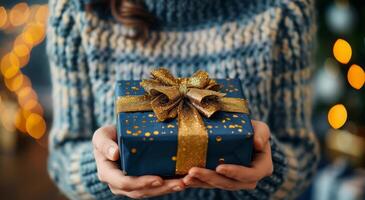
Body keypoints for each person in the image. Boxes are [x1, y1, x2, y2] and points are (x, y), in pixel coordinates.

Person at [47, 0, 319, 199]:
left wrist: (270, 165)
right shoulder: (75, 9)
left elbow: (303, 154)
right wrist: (98, 170)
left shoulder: (285, 9)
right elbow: (62, 156)